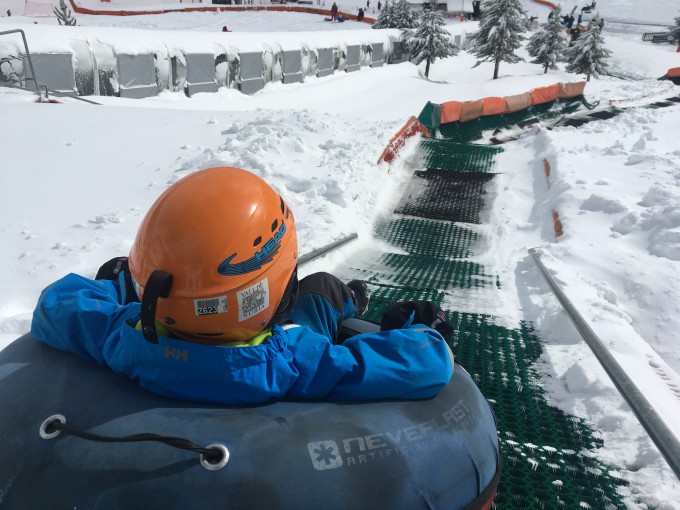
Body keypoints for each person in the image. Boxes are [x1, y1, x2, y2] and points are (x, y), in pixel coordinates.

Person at [31, 167, 454, 406]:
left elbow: (56, 301)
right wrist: (421, 327)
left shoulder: (114, 338)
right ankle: (351, 300)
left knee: (115, 271)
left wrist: (118, 288)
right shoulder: (296, 362)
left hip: (159, 336)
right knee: (321, 287)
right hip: (274, 334)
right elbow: (429, 361)